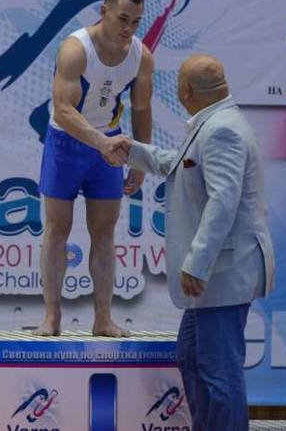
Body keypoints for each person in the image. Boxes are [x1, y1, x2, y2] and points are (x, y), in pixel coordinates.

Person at [108, 54, 274, 430]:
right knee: (192, 358)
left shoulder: (221, 130)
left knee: (219, 372)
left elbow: (223, 201)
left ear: (185, 91)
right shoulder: (215, 123)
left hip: (221, 272)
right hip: (217, 273)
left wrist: (197, 262)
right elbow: (183, 163)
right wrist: (134, 151)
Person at [34, 0, 154, 337]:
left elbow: (142, 109)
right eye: (122, 19)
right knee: (57, 228)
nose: (128, 29)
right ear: (104, 11)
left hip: (109, 146)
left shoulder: (141, 57)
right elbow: (63, 109)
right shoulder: (75, 50)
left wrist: (141, 160)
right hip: (67, 143)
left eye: (136, 22)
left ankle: (103, 319)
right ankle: (51, 316)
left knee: (104, 232)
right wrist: (101, 142)